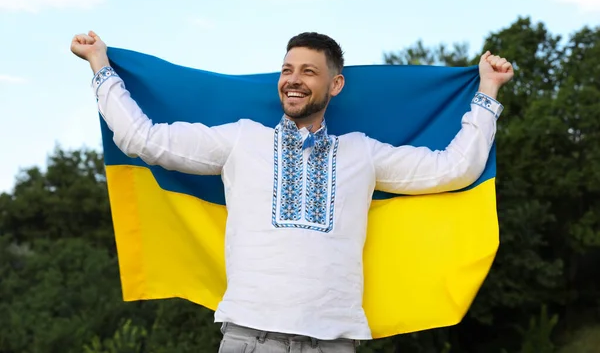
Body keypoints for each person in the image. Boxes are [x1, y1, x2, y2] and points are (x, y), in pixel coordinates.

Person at [71, 30, 513, 353]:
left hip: (333, 341)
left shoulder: (362, 153)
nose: (293, 79)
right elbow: (143, 139)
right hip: (249, 336)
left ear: (334, 84)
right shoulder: (242, 140)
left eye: (308, 71)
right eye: (287, 70)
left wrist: (487, 91)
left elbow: (453, 169)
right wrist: (100, 65)